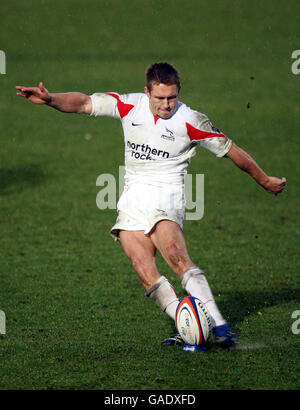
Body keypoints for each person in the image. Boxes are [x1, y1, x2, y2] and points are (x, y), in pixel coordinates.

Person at [16, 62, 286, 352]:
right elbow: (83, 102)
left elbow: (231, 150)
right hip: (132, 199)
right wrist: (50, 99)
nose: (166, 104)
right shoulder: (128, 105)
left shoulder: (191, 119)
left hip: (167, 195)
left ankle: (220, 326)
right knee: (143, 269)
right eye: (159, 98)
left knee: (174, 254)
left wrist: (263, 179)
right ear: (147, 92)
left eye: (171, 97)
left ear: (178, 91)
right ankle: (190, 328)